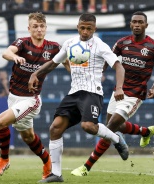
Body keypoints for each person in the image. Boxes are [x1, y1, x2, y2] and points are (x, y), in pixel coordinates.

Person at [28, 13, 128, 183]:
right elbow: (53, 62)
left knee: (88, 126)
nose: (85, 31)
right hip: (74, 93)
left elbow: (119, 66)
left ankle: (116, 138)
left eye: (89, 28)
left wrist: (119, 87)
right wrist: (35, 73)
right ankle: (56, 174)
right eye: (82, 27)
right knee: (55, 128)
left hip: (92, 92)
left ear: (94, 29)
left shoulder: (100, 45)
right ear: (77, 27)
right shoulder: (69, 43)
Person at [71, 11, 154, 176]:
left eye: (140, 22)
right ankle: (146, 132)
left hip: (136, 94)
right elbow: (109, 60)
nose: (137, 25)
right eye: (134, 22)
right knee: (115, 127)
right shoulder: (122, 43)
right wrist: (98, 75)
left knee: (111, 127)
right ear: (130, 24)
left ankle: (86, 167)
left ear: (146, 25)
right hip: (119, 91)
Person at [0, 12, 69, 179]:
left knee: (1, 121)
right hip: (14, 98)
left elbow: (68, 64)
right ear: (29, 28)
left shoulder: (53, 47)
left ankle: (4, 160)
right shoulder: (23, 43)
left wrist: (78, 70)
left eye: (41, 26)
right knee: (28, 137)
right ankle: (47, 162)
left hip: (31, 100)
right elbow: (6, 53)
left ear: (46, 28)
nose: (39, 29)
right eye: (35, 26)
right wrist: (15, 57)